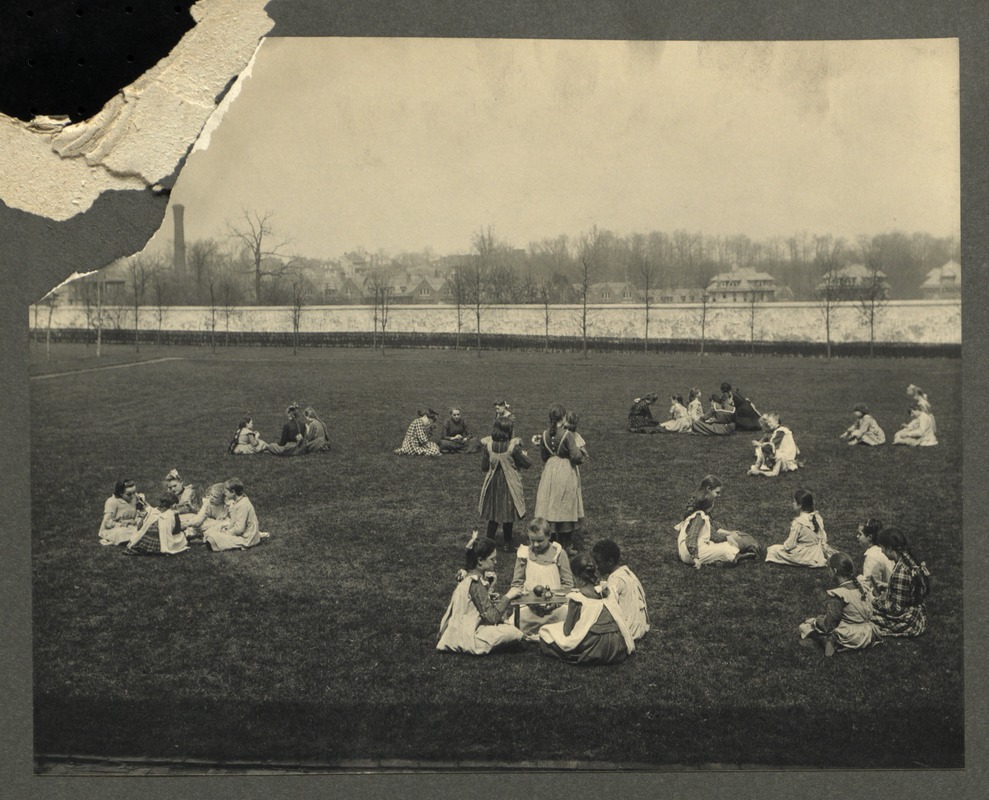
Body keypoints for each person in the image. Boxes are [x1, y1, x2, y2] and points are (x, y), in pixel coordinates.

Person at [538, 554, 636, 666]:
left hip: (595, 648)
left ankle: (582, 654)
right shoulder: (607, 591)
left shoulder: (577, 598)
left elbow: (567, 631)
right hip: (616, 646)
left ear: (576, 576)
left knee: (545, 633)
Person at [436, 533, 526, 654]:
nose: (496, 562)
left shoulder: (469, 576)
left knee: (507, 625)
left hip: (457, 629)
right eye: (492, 559)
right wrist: (509, 596)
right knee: (515, 632)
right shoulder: (475, 582)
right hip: (468, 635)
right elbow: (491, 617)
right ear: (479, 561)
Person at [798, 552, 882, 656]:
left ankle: (827, 641)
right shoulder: (862, 587)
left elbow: (829, 624)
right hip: (870, 633)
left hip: (852, 635)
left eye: (829, 569)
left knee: (806, 627)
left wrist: (815, 622)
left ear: (834, 571)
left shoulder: (839, 594)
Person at [533, 404, 585, 551]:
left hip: (549, 471)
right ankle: (566, 546)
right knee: (565, 504)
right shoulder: (567, 435)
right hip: (565, 471)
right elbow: (575, 456)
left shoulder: (544, 434)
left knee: (549, 503)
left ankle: (549, 541)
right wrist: (582, 455)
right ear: (563, 418)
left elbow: (544, 456)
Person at [510, 518, 575, 636]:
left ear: (549, 536)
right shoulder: (524, 553)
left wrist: (555, 603)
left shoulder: (559, 553)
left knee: (567, 616)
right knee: (515, 621)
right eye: (532, 540)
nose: (535, 544)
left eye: (540, 541)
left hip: (555, 607)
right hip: (530, 607)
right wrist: (531, 603)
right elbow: (517, 584)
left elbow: (568, 584)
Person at [479, 417, 531, 551]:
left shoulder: (488, 446)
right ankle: (508, 543)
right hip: (509, 484)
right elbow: (526, 464)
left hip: (493, 484)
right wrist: (524, 454)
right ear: (509, 432)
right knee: (508, 514)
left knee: (493, 514)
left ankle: (488, 542)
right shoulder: (512, 448)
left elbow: (484, 467)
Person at [871, 527, 931, 638]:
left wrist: (874, 601)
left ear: (889, 549)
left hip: (906, 621)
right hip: (917, 614)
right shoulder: (908, 559)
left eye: (882, 548)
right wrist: (887, 586)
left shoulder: (901, 571)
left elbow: (895, 609)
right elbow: (910, 588)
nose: (882, 552)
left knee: (867, 613)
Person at [675, 491, 755, 568]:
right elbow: (691, 537)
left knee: (722, 544)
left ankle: (720, 561)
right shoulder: (699, 518)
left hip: (689, 550)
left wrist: (727, 536)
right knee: (727, 549)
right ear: (710, 505)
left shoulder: (698, 514)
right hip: (690, 553)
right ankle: (736, 558)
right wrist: (695, 557)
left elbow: (712, 535)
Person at [590, 539, 649, 641]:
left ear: (610, 562)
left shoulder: (616, 580)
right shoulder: (626, 573)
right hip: (640, 626)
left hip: (629, 630)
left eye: (598, 562)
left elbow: (609, 607)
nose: (596, 567)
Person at [695, 475, 764, 558]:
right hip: (701, 545)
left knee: (740, 536)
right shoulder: (698, 510)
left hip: (708, 538)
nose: (719, 495)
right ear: (709, 489)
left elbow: (712, 524)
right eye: (717, 492)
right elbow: (711, 534)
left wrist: (729, 533)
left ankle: (748, 548)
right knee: (738, 541)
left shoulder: (703, 503)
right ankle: (744, 552)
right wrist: (728, 536)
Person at [765, 489, 835, 567]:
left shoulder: (798, 522)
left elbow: (790, 545)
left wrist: (784, 547)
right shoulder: (817, 517)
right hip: (819, 553)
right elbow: (823, 538)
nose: (793, 503)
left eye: (794, 502)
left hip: (805, 555)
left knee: (772, 550)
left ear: (800, 505)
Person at [203, 478, 265, 551]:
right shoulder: (237, 501)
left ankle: (210, 542)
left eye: (226, 492)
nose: (224, 494)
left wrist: (227, 533)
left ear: (233, 492)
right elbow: (233, 521)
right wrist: (228, 528)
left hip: (247, 537)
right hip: (239, 532)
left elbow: (239, 529)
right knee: (215, 531)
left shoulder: (243, 505)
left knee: (212, 538)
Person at [124, 492, 190, 556]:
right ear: (173, 505)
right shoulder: (173, 514)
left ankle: (141, 548)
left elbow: (141, 524)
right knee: (181, 537)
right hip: (162, 542)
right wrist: (182, 528)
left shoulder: (152, 511)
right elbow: (176, 530)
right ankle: (156, 550)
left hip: (145, 539)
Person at [98, 479, 147, 545]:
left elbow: (144, 509)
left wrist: (139, 519)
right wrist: (125, 524)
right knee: (122, 533)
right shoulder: (112, 502)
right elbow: (107, 523)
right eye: (129, 494)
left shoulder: (135, 497)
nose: (132, 496)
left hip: (134, 525)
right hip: (116, 528)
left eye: (134, 492)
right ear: (120, 493)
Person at [856, 517, 895, 595]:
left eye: (860, 534)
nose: (857, 537)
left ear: (870, 537)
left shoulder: (872, 557)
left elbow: (872, 588)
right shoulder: (884, 551)